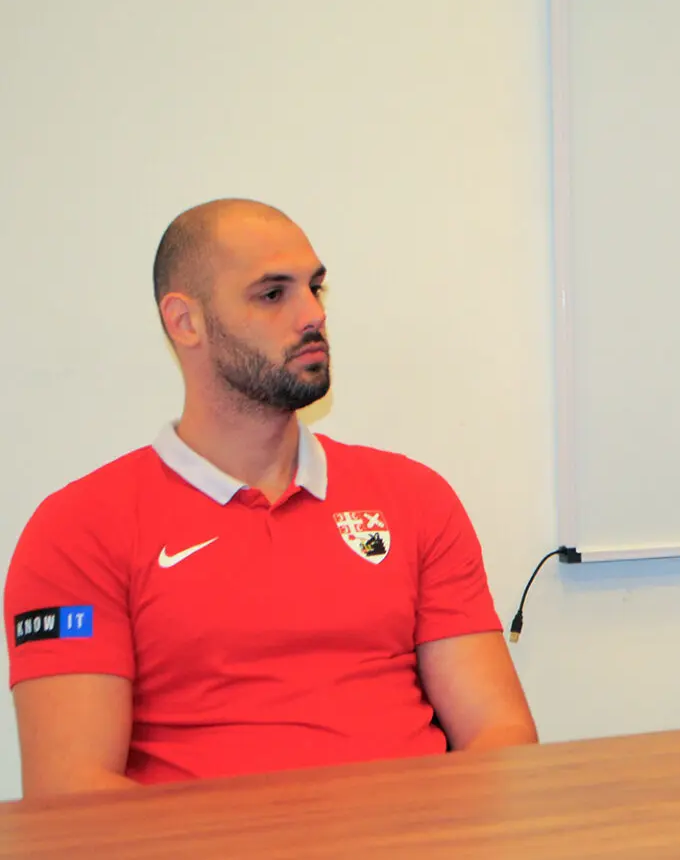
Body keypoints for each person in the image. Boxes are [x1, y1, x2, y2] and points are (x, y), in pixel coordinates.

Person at [5, 199, 537, 795]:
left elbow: (500, 731)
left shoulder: (413, 498)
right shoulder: (78, 529)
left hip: (414, 845)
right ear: (185, 321)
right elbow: (70, 790)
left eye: (315, 288)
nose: (313, 314)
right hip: (204, 856)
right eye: (272, 294)